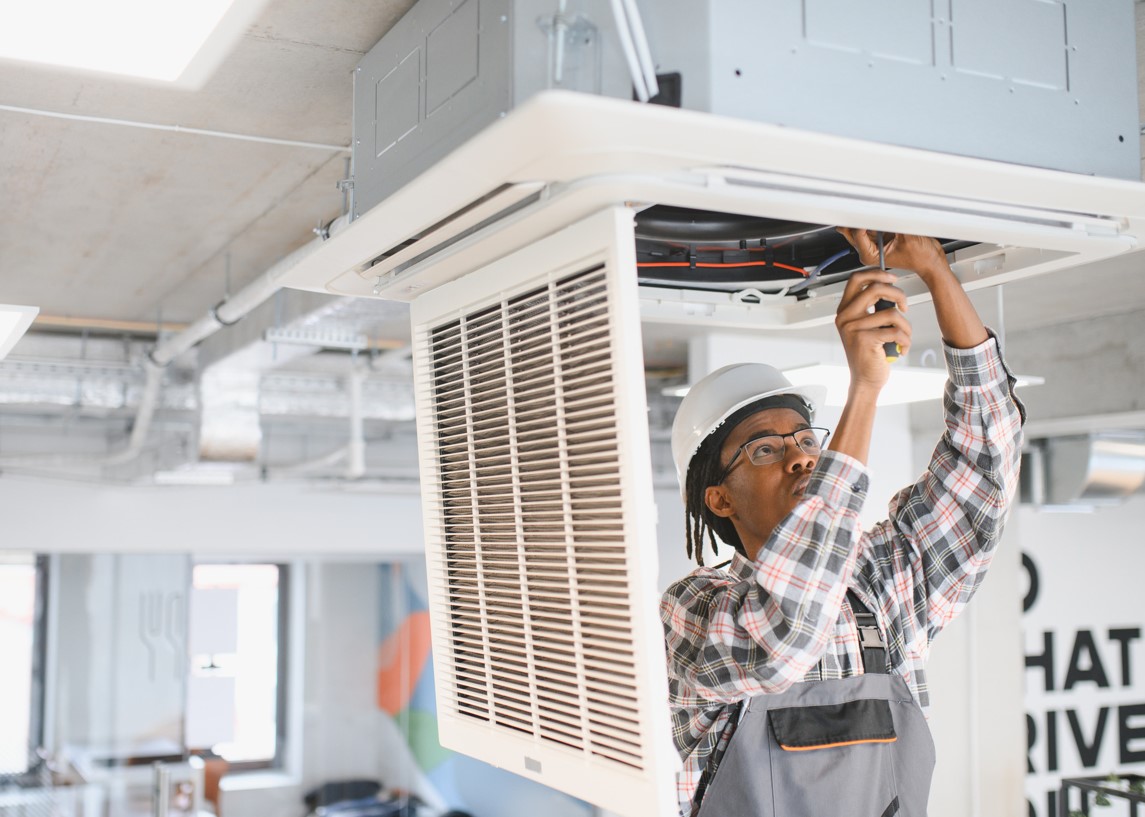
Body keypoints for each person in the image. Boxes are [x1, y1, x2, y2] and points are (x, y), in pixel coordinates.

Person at [660, 229, 1026, 817]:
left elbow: (984, 465)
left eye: (807, 440)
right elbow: (785, 634)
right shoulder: (692, 612)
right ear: (720, 500)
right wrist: (864, 391)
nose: (802, 457)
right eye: (764, 449)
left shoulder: (880, 587)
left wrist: (935, 271)